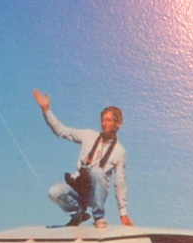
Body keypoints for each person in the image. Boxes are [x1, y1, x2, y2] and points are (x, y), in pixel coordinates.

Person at [32, 89, 130, 227]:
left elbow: (120, 184)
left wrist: (123, 213)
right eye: (102, 120)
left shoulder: (119, 151)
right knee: (53, 192)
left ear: (117, 124)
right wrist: (46, 111)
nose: (104, 124)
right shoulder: (88, 135)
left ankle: (98, 217)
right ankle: (78, 215)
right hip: (77, 185)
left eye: (108, 120)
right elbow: (61, 131)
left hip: (95, 193)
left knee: (97, 171)